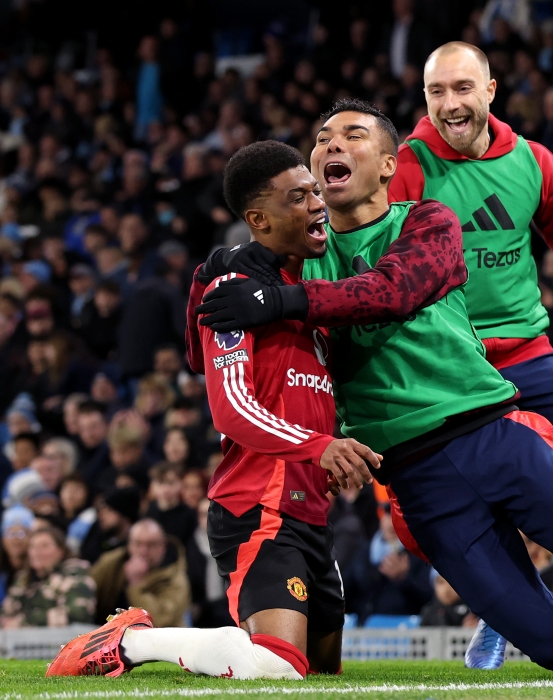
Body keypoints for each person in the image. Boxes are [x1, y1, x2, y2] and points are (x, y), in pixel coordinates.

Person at [186, 114, 553, 678]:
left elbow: (394, 290)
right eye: (321, 140)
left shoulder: (429, 222)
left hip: (493, 435)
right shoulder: (301, 259)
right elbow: (212, 337)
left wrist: (283, 301)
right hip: (417, 479)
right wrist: (215, 274)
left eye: (353, 135)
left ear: (389, 166)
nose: (332, 143)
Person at [49, 141, 381, 680]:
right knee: (279, 669)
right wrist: (322, 446)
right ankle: (132, 642)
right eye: (298, 198)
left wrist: (335, 444)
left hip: (309, 508)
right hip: (259, 505)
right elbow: (233, 411)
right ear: (259, 219)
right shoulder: (232, 292)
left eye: (316, 191)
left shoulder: (309, 296)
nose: (317, 204)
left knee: (323, 676)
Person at [385, 41, 553, 659]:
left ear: (490, 90)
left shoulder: (532, 161)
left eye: (461, 88)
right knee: (474, 504)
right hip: (449, 368)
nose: (450, 104)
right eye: (436, 92)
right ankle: (517, 608)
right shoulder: (406, 166)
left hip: (526, 354)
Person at [89, 519, 189, 628]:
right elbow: (90, 585)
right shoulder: (114, 562)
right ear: (129, 544)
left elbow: (159, 622)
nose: (143, 551)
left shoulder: (175, 579)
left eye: (151, 545)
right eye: (138, 544)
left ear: (163, 546)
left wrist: (137, 585)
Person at [0, 526, 95, 628]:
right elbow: (5, 614)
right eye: (32, 546)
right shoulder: (23, 579)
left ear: (60, 550)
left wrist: (23, 622)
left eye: (44, 546)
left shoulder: (75, 575)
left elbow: (79, 614)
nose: (37, 551)